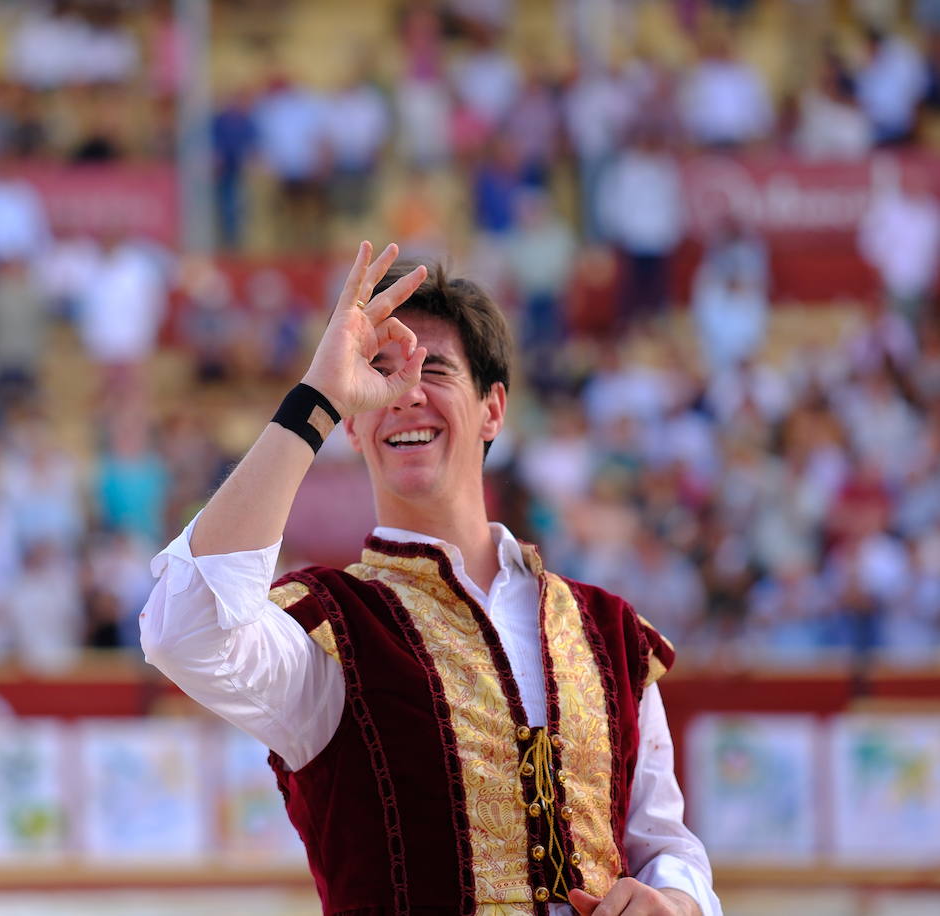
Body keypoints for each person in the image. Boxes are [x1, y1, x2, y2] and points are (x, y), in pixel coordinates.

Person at [141, 244, 720, 915]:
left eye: (434, 369)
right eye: (378, 374)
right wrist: (318, 399)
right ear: (353, 428)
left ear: (493, 409)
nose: (405, 392)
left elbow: (662, 844)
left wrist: (674, 901)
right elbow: (183, 628)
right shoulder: (333, 631)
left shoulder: (610, 630)